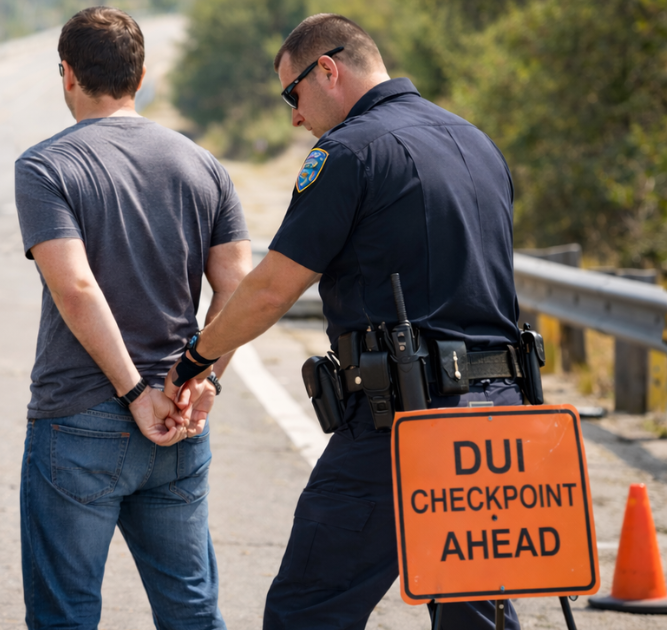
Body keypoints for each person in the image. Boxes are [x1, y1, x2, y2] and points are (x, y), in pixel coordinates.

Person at [164, 13, 524, 630]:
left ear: (327, 69)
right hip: (501, 419)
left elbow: (272, 289)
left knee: (309, 609)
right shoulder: (475, 140)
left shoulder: (350, 151)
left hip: (404, 424)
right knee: (475, 614)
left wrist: (194, 362)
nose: (295, 117)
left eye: (293, 95)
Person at [14, 7, 251, 629]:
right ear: (140, 74)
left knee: (64, 614)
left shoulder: (45, 167)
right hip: (179, 419)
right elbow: (238, 291)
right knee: (191, 611)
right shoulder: (204, 165)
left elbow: (75, 287)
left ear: (66, 74)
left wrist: (133, 393)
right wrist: (204, 382)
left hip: (81, 419)